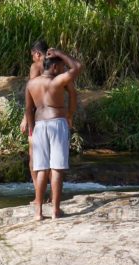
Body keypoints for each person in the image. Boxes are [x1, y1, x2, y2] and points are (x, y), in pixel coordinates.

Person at [24, 47, 82, 220]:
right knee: (56, 168)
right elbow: (77, 67)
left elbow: (28, 109)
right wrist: (60, 54)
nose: (64, 70)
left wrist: (31, 129)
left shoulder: (31, 84)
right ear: (55, 68)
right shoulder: (57, 81)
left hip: (39, 126)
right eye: (61, 67)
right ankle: (56, 210)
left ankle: (38, 212)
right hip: (57, 123)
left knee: (41, 169)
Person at [20, 40, 78, 180]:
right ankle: (53, 196)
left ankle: (38, 197)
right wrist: (70, 114)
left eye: (33, 55)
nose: (33, 59)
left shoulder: (35, 67)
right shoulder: (59, 67)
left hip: (38, 118)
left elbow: (32, 93)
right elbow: (72, 92)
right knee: (56, 162)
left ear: (38, 54)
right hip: (58, 118)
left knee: (35, 158)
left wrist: (26, 119)